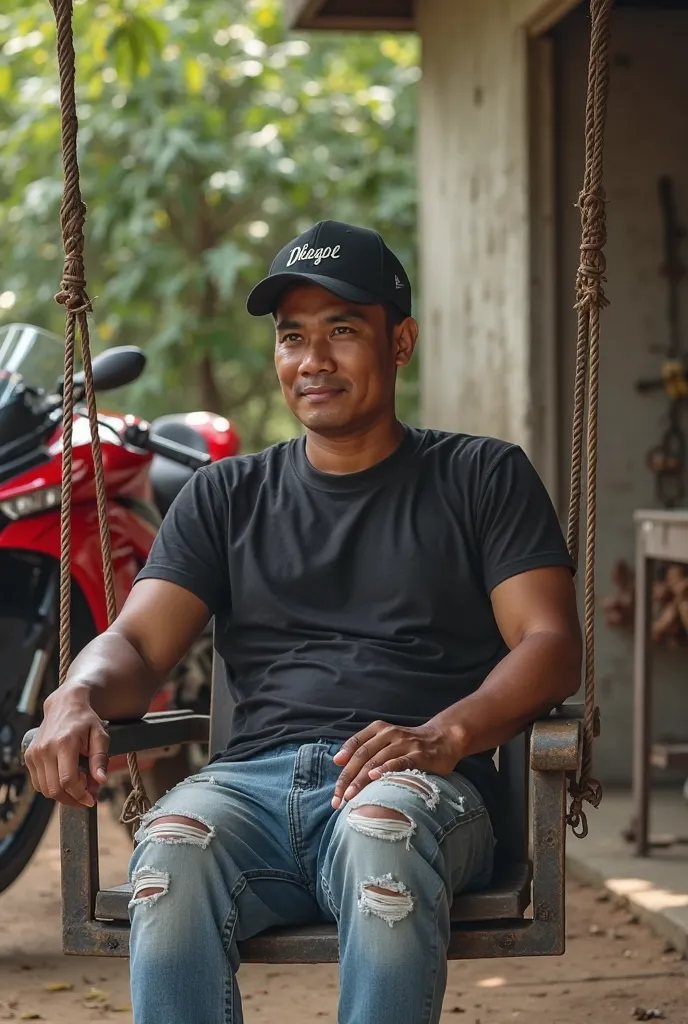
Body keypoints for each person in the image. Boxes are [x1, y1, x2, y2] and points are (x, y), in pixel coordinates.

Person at [26, 221, 581, 1024]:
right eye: (293, 338)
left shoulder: (480, 477)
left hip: (417, 786)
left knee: (382, 834)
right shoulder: (226, 497)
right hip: (249, 790)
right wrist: (75, 693)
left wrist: (449, 734)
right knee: (173, 853)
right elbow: (139, 646)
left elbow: (551, 645)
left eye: (343, 331)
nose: (312, 360)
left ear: (402, 341)